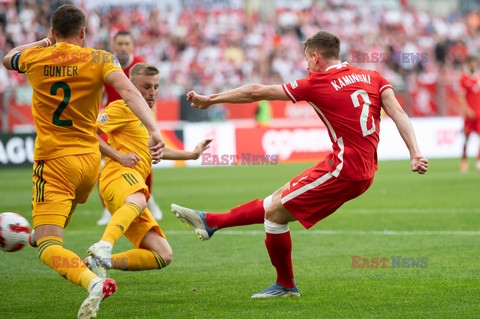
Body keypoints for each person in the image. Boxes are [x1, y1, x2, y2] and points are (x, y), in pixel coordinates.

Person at [171, 30, 429, 298]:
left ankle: (284, 284)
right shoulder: (373, 77)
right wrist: (415, 152)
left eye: (306, 58)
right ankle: (210, 222)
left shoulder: (316, 82)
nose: (306, 65)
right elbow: (397, 112)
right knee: (278, 199)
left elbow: (256, 91)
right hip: (355, 166)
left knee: (274, 213)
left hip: (345, 169)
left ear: (316, 56)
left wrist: (210, 99)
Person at [2, 5, 164, 319]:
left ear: (52, 31)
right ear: (84, 33)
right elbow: (129, 92)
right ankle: (37, 233)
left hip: (54, 161)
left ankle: (91, 282)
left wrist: (44, 43)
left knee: (50, 246)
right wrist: (154, 129)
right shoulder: (100, 58)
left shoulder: (36, 57)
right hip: (90, 163)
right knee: (50, 229)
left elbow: (9, 57)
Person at [86, 63, 211, 276]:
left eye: (156, 87)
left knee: (163, 255)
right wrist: (118, 156)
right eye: (146, 86)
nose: (152, 92)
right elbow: (87, 133)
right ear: (131, 86)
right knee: (140, 199)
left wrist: (191, 154)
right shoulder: (121, 107)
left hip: (131, 188)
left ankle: (94, 263)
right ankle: (104, 244)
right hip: (117, 176)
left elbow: (154, 149)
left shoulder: (147, 117)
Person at [97, 30, 164, 226]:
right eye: (120, 44)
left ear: (133, 46)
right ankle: (107, 210)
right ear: (113, 46)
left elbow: (152, 97)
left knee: (145, 160)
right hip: (113, 119)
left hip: (137, 120)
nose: (123, 47)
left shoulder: (140, 66)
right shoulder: (107, 66)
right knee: (101, 160)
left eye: (127, 43)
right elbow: (99, 94)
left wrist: (153, 123)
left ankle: (148, 200)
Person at [458, 55, 480, 172]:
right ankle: (464, 159)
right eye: (471, 62)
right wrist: (467, 110)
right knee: (467, 138)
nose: (473, 64)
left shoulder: (478, 77)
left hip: (479, 114)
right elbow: (461, 96)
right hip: (469, 114)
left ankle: (479, 161)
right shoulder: (463, 79)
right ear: (468, 64)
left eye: (475, 62)